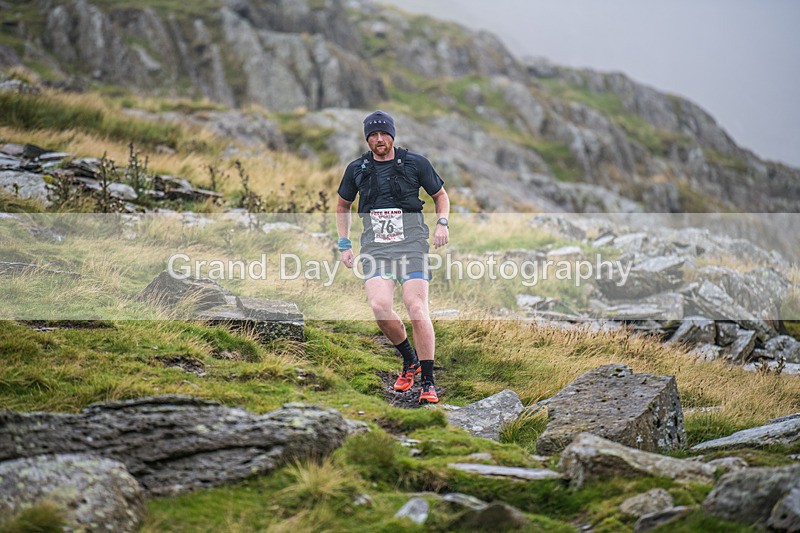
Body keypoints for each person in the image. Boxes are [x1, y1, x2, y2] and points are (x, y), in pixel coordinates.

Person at [336, 110, 450, 404]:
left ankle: (428, 381)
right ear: (367, 139)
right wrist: (344, 243)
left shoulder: (415, 163)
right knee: (379, 306)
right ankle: (409, 359)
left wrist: (442, 223)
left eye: (383, 134)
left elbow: (440, 195)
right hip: (376, 249)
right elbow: (342, 205)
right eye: (372, 135)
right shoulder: (357, 168)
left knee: (416, 307)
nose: (378, 140)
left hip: (412, 246)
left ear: (392, 135)